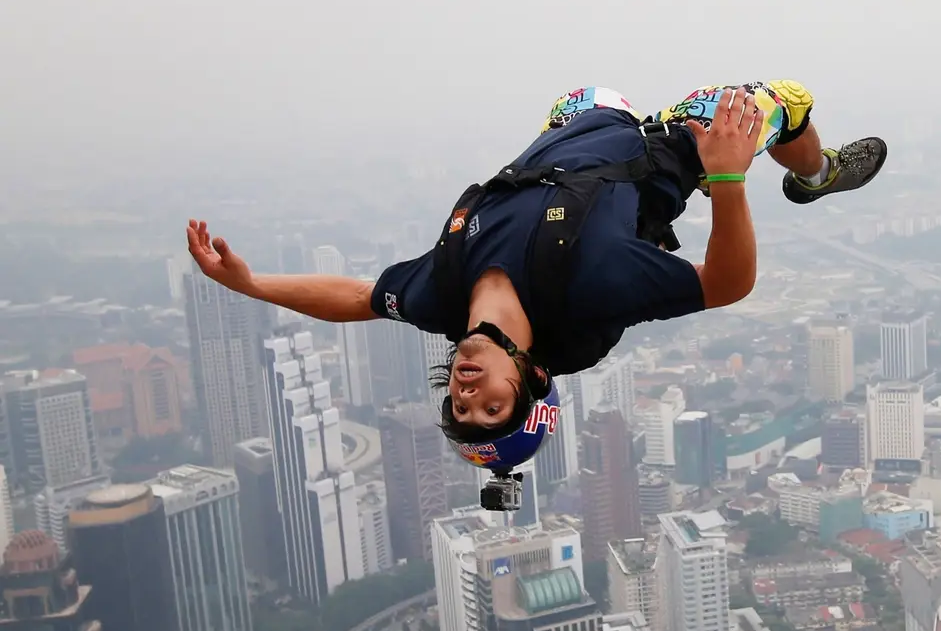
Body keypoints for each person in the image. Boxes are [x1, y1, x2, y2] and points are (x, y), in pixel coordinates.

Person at [185, 80, 884, 473]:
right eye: (492, 407)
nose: (469, 396)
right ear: (533, 377)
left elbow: (358, 298)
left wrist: (251, 285)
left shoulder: (441, 294)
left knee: (586, 89)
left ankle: (603, 112)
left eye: (462, 409)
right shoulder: (591, 290)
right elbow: (725, 283)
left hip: (583, 122)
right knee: (785, 99)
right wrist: (727, 174)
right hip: (676, 145)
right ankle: (818, 176)